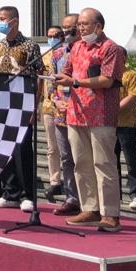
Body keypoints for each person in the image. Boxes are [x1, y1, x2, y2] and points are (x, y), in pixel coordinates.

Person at [55, 7, 125, 232]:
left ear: (99, 26)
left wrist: (76, 82)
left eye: (85, 23)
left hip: (101, 113)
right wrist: (58, 83)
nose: (80, 27)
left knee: (103, 164)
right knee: (81, 163)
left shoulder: (110, 48)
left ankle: (110, 213)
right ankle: (90, 208)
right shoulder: (75, 46)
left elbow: (107, 79)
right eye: (79, 24)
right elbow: (66, 72)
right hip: (76, 113)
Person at [0, 5, 43, 212]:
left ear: (15, 21)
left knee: (23, 150)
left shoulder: (30, 46)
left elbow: (39, 78)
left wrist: (34, 106)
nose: (1, 22)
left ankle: (27, 195)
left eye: (4, 18)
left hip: (22, 104)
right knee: (4, 149)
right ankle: (9, 192)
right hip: (0, 104)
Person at [51, 14, 81, 217]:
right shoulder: (57, 54)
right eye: (64, 28)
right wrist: (56, 100)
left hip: (82, 112)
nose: (67, 32)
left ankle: (88, 199)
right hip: (61, 112)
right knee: (66, 158)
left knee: (83, 158)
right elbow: (51, 84)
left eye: (71, 28)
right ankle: (71, 197)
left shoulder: (86, 52)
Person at [115, 49, 136, 210]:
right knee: (111, 161)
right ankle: (115, 194)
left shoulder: (130, 75)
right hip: (109, 123)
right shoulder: (109, 75)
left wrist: (115, 108)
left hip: (126, 123)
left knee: (131, 160)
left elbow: (133, 95)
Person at [41, 25, 64, 202]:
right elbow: (41, 81)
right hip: (49, 106)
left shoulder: (68, 53)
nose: (52, 39)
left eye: (56, 35)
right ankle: (55, 180)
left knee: (68, 148)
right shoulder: (44, 56)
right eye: (49, 36)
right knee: (52, 147)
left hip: (65, 105)